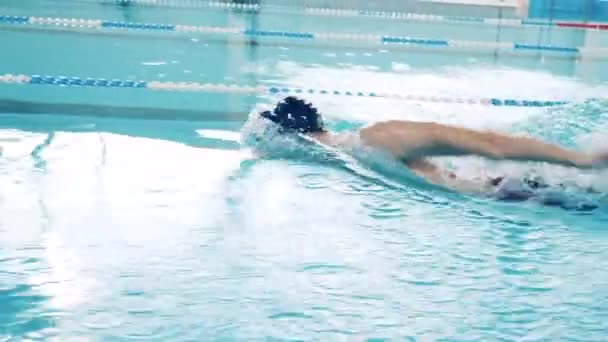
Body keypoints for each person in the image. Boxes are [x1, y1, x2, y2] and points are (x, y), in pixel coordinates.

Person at [259, 96, 607, 209]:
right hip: (518, 196)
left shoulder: (378, 137)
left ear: (292, 136)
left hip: (526, 191)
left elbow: (492, 144)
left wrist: (583, 161)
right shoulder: (348, 156)